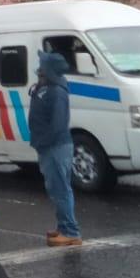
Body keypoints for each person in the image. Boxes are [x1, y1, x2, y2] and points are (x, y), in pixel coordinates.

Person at [30, 50, 82, 247]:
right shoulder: (47, 87)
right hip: (49, 146)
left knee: (61, 189)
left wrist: (44, 141)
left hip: (55, 147)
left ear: (49, 70)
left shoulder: (56, 92)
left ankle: (70, 231)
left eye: (42, 66)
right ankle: (63, 227)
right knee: (56, 188)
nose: (38, 69)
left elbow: (58, 124)